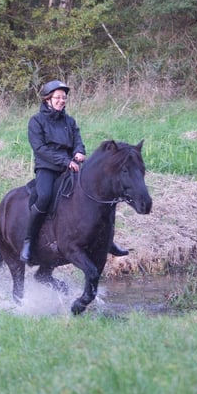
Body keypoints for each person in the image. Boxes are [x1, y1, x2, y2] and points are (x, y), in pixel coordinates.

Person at [20, 80, 129, 262]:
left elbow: (78, 140)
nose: (62, 100)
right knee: (45, 196)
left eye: (64, 97)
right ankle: (29, 241)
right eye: (58, 97)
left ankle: (108, 241)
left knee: (97, 193)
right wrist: (64, 161)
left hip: (72, 166)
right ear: (48, 100)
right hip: (47, 167)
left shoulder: (69, 121)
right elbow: (40, 149)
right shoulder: (36, 121)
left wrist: (79, 151)